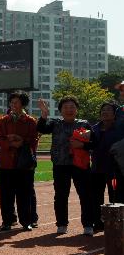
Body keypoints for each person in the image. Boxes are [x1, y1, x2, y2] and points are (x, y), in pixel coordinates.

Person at [37, 96, 93, 235]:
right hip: (61, 164)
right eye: (66, 107)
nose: (69, 110)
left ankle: (88, 225)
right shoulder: (55, 123)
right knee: (61, 195)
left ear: (77, 109)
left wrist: (83, 145)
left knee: (85, 195)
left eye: (72, 107)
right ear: (60, 110)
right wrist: (44, 114)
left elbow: (94, 143)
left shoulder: (84, 124)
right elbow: (42, 128)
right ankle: (62, 224)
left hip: (80, 164)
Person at [0, 91, 38, 231]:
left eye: (16, 102)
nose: (13, 105)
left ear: (23, 104)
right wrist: (11, 144)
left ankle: (26, 221)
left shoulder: (30, 121)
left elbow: (34, 140)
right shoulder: (3, 120)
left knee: (25, 193)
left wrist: (22, 142)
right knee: (6, 193)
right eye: (11, 102)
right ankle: (7, 220)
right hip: (6, 162)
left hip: (24, 163)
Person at [88, 102, 121, 230]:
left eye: (108, 110)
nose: (105, 112)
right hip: (97, 169)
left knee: (115, 196)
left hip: (114, 170)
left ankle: (115, 223)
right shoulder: (94, 128)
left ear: (115, 114)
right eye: (103, 110)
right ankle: (98, 222)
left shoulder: (119, 129)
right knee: (96, 197)